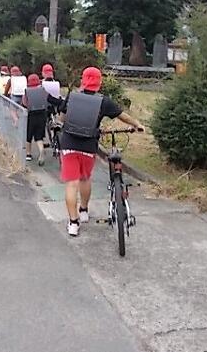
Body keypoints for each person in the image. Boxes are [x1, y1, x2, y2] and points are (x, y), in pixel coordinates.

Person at [50, 67, 144, 237]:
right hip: (88, 146)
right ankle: (84, 211)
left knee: (71, 184)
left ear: (83, 80)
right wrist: (137, 124)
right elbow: (122, 115)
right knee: (85, 179)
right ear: (99, 83)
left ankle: (73, 223)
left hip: (69, 144)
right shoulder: (103, 101)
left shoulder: (72, 97)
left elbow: (61, 119)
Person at [22, 74, 49, 165]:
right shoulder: (43, 90)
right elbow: (48, 100)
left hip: (31, 115)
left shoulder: (27, 91)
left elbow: (24, 103)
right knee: (39, 136)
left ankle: (28, 154)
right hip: (42, 114)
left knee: (28, 135)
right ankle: (41, 150)